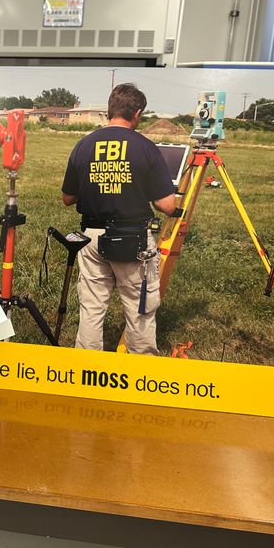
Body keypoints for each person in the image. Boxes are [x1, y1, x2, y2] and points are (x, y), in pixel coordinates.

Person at [61, 83, 177, 355]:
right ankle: (139, 370)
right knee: (140, 308)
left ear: (110, 111)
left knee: (91, 307)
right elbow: (167, 205)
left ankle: (87, 369)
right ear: (137, 113)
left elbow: (68, 197)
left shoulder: (83, 145)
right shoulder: (146, 148)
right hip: (133, 240)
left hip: (90, 238)